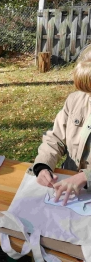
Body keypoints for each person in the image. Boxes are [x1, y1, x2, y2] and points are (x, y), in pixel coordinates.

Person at [31, 47, 91, 206]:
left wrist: (87, 177)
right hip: (69, 189)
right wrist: (43, 165)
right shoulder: (75, 100)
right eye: (87, 90)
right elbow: (55, 137)